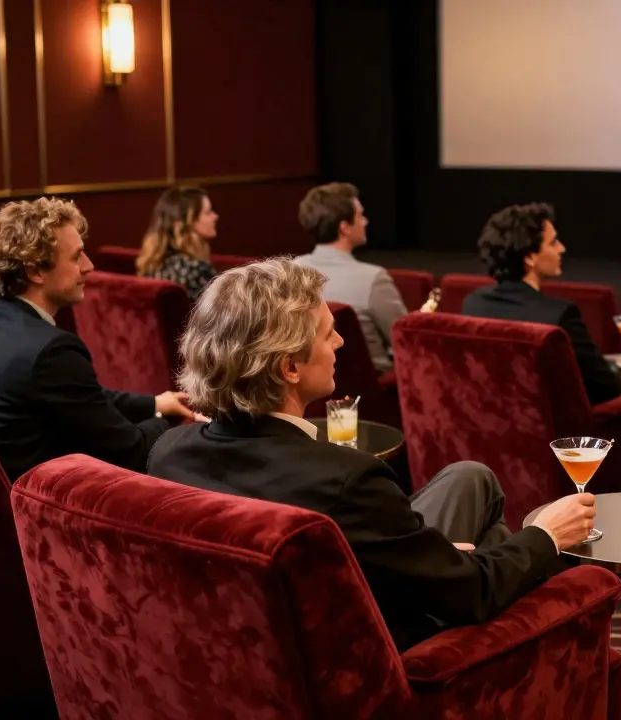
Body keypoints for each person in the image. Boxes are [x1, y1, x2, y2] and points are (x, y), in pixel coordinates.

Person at [148, 258, 596, 651]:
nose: (341, 343)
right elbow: (474, 592)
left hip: (247, 646)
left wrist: (432, 558)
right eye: (328, 335)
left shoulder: (168, 453)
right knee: (502, 566)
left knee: (470, 478)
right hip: (376, 653)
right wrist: (545, 535)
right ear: (289, 367)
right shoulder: (348, 481)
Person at [0, 198, 195, 480]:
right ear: (35, 271)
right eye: (77, 256)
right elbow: (131, 451)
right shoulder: (50, 351)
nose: (88, 266)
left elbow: (86, 398)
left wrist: (154, 404)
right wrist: (177, 424)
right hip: (26, 512)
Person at [461, 202, 621, 405]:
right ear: (530, 257)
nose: (562, 248)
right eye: (553, 242)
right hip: (559, 434)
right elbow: (607, 388)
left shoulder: (473, 304)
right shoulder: (560, 315)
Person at [294, 182, 407, 372]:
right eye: (360, 215)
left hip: (307, 387)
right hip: (373, 392)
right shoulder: (373, 279)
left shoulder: (291, 271)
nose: (365, 221)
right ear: (344, 227)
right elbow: (404, 340)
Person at [137, 186, 219, 299]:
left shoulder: (151, 265)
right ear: (189, 221)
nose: (215, 217)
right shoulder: (198, 269)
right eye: (208, 212)